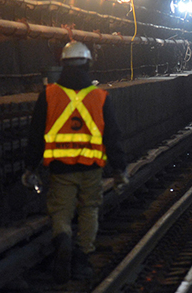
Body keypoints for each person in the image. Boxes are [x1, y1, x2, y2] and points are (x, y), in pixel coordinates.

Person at [23, 41, 127, 283]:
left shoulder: (48, 96)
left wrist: (29, 166)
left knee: (61, 210)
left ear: (62, 64)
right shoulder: (100, 97)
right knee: (89, 210)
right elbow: (113, 135)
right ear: (88, 63)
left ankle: (64, 241)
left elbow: (36, 134)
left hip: (60, 169)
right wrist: (120, 169)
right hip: (91, 169)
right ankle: (81, 259)